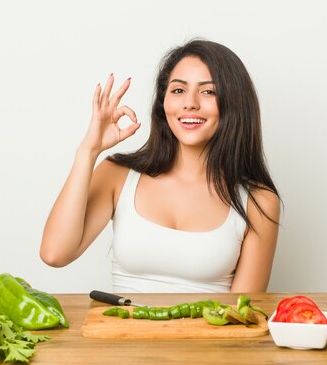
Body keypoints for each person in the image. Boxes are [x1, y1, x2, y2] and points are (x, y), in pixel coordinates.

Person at [40, 39, 281, 293]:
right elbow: (55, 254)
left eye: (208, 91)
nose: (190, 103)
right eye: (178, 90)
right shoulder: (118, 175)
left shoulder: (259, 202)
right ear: (162, 102)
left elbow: (242, 315)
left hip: (209, 334)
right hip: (121, 332)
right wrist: (88, 151)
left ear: (235, 104)